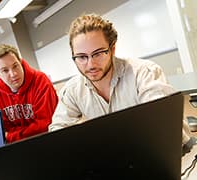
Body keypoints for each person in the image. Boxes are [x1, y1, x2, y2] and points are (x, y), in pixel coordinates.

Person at [48, 13, 193, 145]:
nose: (90, 64)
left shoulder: (143, 73)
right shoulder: (73, 90)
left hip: (172, 153)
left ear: (112, 49)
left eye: (98, 53)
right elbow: (56, 133)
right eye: (81, 57)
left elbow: (165, 127)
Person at [0, 44, 59, 143]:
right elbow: (4, 130)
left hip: (48, 141)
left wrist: (12, 136)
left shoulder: (41, 81)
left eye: (15, 66)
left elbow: (46, 125)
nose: (13, 74)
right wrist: (28, 130)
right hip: (17, 147)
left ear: (21, 62)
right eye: (5, 70)